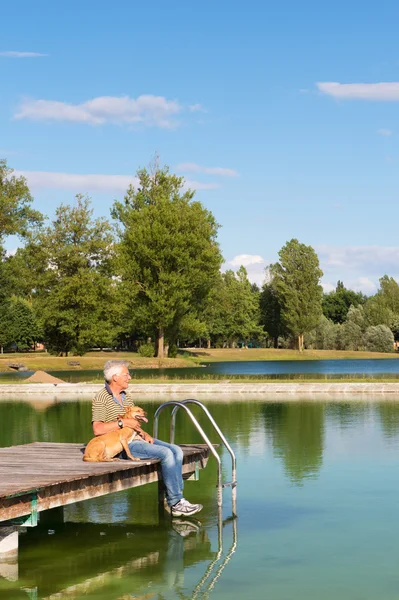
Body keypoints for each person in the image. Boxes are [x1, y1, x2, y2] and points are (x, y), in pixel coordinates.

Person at [91, 359, 203, 518]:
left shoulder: (125, 396)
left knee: (176, 450)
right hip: (120, 445)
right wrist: (123, 422)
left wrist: (144, 434)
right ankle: (176, 502)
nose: (129, 377)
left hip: (135, 437)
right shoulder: (101, 397)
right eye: (126, 374)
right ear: (115, 377)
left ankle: (177, 497)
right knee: (165, 453)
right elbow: (98, 429)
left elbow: (133, 424)